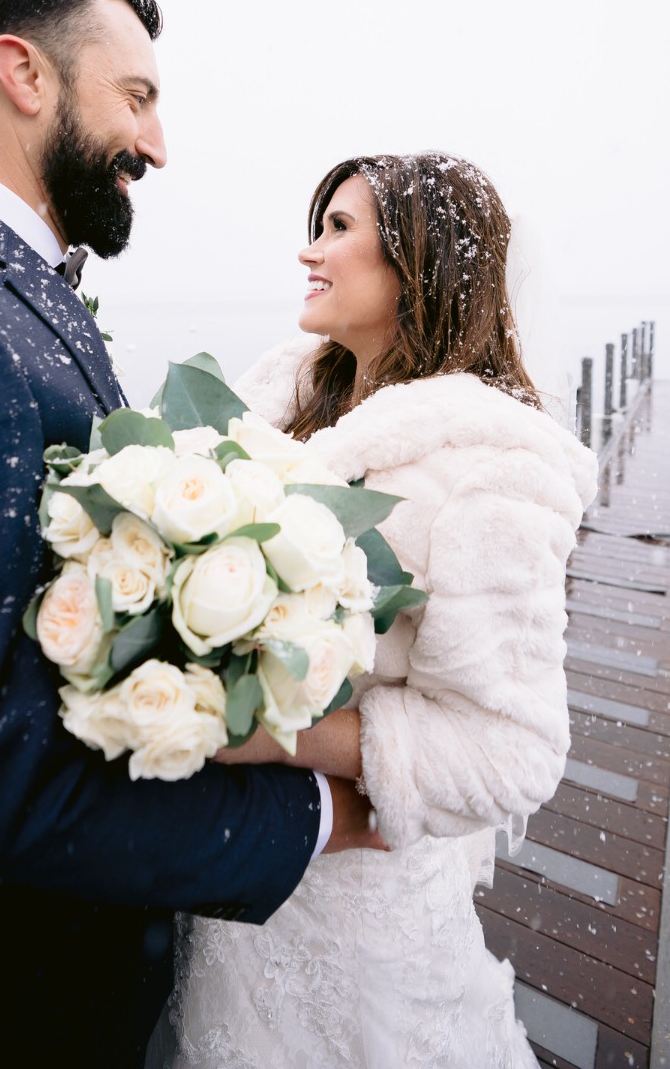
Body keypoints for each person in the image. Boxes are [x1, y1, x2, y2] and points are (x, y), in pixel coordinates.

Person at [0, 0, 381, 1069]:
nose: (157, 145)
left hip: (79, 973)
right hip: (4, 1004)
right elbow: (1, 785)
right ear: (24, 73)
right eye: (138, 99)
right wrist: (322, 817)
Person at [161, 153, 599, 1067]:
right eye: (318, 225)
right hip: (240, 874)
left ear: (419, 262)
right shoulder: (279, 399)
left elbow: (514, 749)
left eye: (339, 229)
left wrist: (268, 734)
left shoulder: (491, 469)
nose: (308, 251)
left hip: (360, 916)